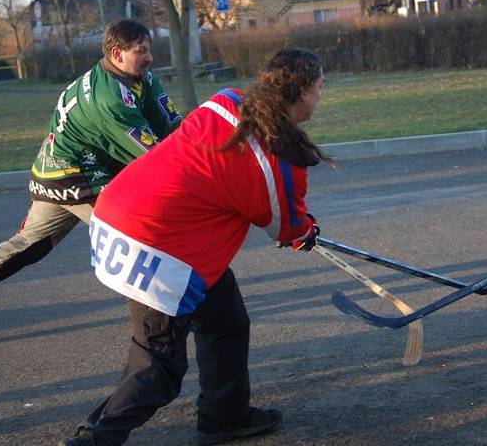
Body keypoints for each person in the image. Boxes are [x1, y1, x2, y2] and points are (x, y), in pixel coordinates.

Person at [58, 48, 331, 446]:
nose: (321, 96)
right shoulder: (278, 168)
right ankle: (96, 436)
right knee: (159, 363)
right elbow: (287, 230)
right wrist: (306, 232)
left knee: (224, 317)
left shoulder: (226, 101)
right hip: (154, 245)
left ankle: (225, 416)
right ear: (302, 91)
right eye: (320, 88)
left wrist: (297, 230)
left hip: (121, 212)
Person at [0, 19, 182, 349]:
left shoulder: (139, 78)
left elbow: (173, 126)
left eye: (149, 50)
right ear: (117, 53)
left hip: (58, 172)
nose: (149, 57)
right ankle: (161, 320)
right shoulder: (109, 99)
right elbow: (155, 156)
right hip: (77, 178)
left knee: (28, 245)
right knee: (138, 235)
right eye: (141, 51)